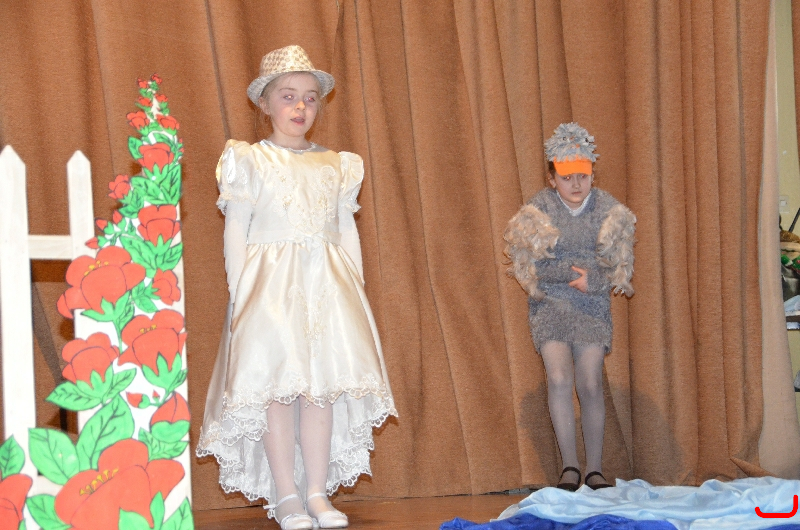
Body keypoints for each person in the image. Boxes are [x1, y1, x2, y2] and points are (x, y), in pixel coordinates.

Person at [196, 45, 397, 530]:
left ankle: (316, 492)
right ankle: (286, 494)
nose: (300, 106)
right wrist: (241, 292)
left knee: (321, 391)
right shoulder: (250, 160)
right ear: (265, 104)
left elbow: (345, 230)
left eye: (309, 97)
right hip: (270, 290)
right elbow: (236, 229)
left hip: (328, 288)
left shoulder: (337, 164)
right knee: (278, 391)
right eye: (288, 96)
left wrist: (356, 288)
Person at [504, 123, 635, 491]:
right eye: (566, 177)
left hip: (591, 307)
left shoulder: (609, 210)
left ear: (592, 174)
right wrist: (568, 272)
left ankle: (595, 470)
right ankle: (569, 468)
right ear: (552, 179)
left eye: (583, 176)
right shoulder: (537, 209)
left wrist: (594, 279)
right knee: (559, 378)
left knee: (590, 382)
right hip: (550, 304)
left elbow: (619, 263)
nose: (576, 184)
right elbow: (528, 263)